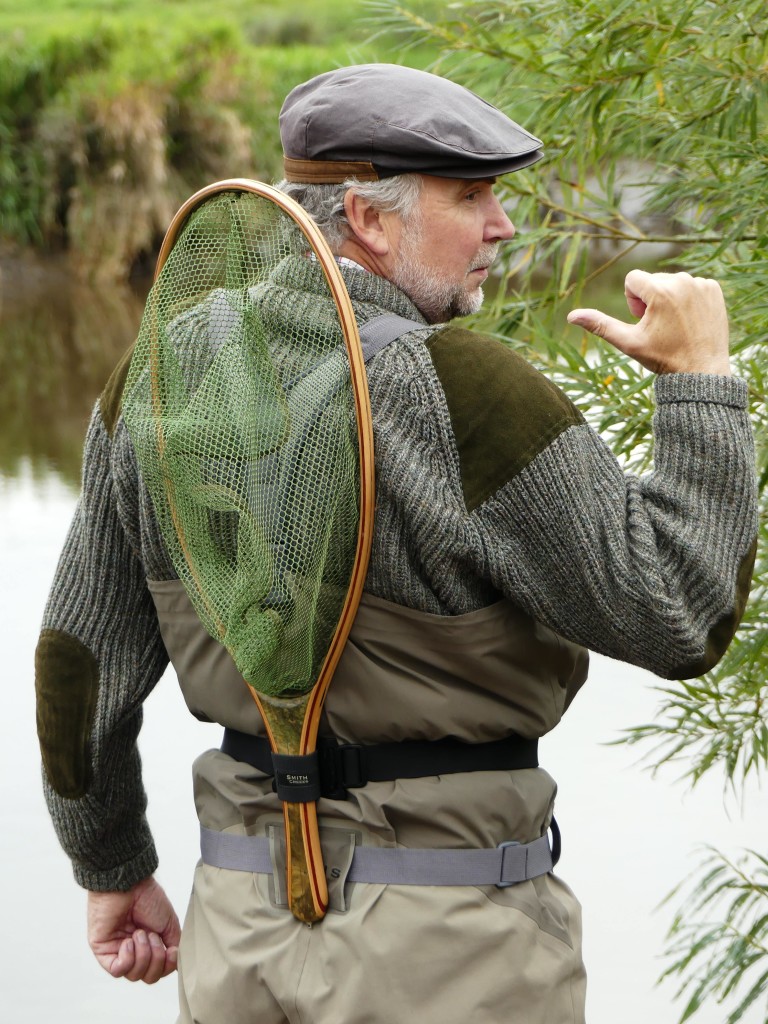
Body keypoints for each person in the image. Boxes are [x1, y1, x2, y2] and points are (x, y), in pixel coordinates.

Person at [35, 63, 757, 1023]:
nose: (503, 226)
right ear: (370, 222)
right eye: (471, 196)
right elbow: (680, 612)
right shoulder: (465, 389)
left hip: (237, 938)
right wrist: (701, 380)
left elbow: (76, 665)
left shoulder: (164, 372)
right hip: (451, 950)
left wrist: (111, 865)